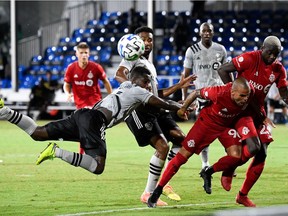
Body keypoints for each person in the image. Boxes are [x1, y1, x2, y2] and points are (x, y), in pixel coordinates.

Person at [0, 66, 192, 176]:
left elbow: (154, 99)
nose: (148, 86)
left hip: (83, 115)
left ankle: (6, 112)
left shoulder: (126, 86)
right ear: (137, 81)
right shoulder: (137, 90)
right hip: (95, 120)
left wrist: (176, 96)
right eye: (146, 82)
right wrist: (181, 106)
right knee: (97, 166)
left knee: (38, 133)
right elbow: (159, 101)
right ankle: (56, 152)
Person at [115, 26, 196, 206]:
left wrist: (179, 85)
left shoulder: (149, 64)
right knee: (162, 146)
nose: (146, 43)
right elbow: (119, 74)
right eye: (142, 39)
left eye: (149, 39)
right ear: (135, 43)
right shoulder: (131, 58)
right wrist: (132, 88)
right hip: (138, 110)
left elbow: (156, 94)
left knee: (180, 139)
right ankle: (149, 193)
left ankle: (164, 182)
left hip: (153, 107)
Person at [203, 35, 288, 207]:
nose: (272, 57)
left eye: (276, 54)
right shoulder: (249, 58)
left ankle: (242, 195)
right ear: (262, 48)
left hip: (258, 112)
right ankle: (226, 168)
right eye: (270, 53)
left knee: (262, 153)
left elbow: (284, 92)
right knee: (254, 147)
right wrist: (232, 92)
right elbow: (223, 70)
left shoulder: (278, 69)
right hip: (243, 111)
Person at [147, 77, 253, 208]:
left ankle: (208, 172)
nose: (245, 99)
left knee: (236, 156)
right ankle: (157, 191)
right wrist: (183, 108)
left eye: (247, 96)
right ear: (232, 92)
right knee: (182, 157)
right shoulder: (219, 92)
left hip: (226, 126)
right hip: (207, 123)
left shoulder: (248, 92)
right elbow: (196, 92)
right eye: (242, 96)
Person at [182, 22, 227, 173]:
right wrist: (185, 98)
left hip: (219, 95)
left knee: (226, 129)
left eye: (209, 31)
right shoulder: (192, 50)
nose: (207, 33)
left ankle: (229, 161)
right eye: (204, 31)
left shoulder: (220, 49)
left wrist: (232, 88)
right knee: (205, 132)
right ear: (200, 33)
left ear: (213, 32)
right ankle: (205, 163)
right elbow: (186, 76)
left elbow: (227, 71)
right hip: (202, 97)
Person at [63, 42, 112, 154]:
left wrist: (111, 96)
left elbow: (106, 81)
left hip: (94, 102)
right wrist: (67, 93)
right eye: (81, 53)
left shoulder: (95, 67)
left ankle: (92, 152)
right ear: (76, 54)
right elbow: (66, 83)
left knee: (88, 127)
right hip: (80, 104)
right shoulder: (71, 68)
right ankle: (85, 153)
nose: (84, 55)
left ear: (89, 54)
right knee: (83, 128)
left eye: (86, 53)